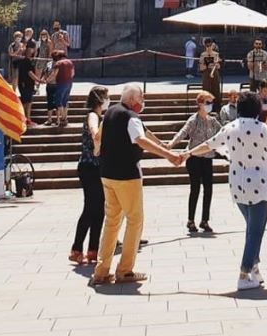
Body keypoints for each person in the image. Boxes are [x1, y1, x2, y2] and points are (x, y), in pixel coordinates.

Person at [190, 87, 267, 291]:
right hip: (259, 185)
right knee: (255, 231)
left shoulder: (230, 127)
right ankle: (244, 273)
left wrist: (187, 153)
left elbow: (209, 144)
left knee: (253, 229)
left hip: (238, 185)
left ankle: (254, 267)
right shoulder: (262, 129)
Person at [92, 83, 183, 287]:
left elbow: (99, 137)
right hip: (127, 176)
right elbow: (140, 139)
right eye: (141, 98)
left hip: (107, 174)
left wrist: (162, 144)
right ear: (133, 100)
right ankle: (125, 270)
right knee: (135, 220)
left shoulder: (111, 112)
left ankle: (101, 271)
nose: (143, 102)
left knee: (111, 221)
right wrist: (168, 155)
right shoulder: (131, 117)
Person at [169, 91, 220, 233]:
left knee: (208, 189)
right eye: (207, 102)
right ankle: (190, 220)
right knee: (195, 188)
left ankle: (205, 220)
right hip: (194, 159)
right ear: (200, 104)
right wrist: (171, 144)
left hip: (208, 158)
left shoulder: (213, 120)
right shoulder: (194, 120)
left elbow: (223, 133)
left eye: (211, 103)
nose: (210, 105)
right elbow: (183, 132)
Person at [69, 86, 108, 264]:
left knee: (99, 209)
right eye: (107, 97)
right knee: (91, 207)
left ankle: (93, 249)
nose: (108, 100)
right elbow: (94, 130)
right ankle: (76, 248)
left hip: (97, 167)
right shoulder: (93, 115)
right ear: (100, 99)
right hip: (89, 167)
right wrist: (96, 138)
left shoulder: (101, 117)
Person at [15, 47, 41, 127]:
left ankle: (25, 119)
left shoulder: (22, 61)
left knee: (26, 102)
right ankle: (26, 119)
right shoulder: (27, 62)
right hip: (27, 85)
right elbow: (30, 73)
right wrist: (39, 80)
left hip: (23, 84)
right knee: (27, 103)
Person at [51, 49, 75, 128]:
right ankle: (65, 117)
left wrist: (46, 80)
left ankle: (62, 118)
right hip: (69, 83)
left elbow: (54, 74)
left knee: (58, 101)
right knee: (65, 100)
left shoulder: (58, 63)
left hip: (61, 83)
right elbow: (72, 74)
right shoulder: (70, 62)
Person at [199, 39, 222, 112]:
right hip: (206, 74)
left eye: (210, 45)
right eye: (207, 46)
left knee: (216, 91)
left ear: (212, 46)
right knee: (206, 91)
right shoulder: (203, 55)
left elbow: (219, 66)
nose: (208, 47)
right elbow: (201, 67)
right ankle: (207, 109)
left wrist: (216, 64)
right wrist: (207, 65)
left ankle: (217, 109)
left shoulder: (216, 54)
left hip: (214, 74)